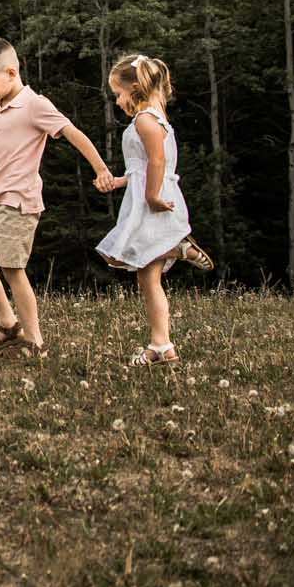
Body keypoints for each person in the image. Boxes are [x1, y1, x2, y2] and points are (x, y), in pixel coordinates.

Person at [0, 37, 118, 360]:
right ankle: (8, 324)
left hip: (19, 202)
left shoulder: (35, 105)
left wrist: (100, 168)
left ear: (11, 73)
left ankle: (35, 341)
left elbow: (72, 133)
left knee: (13, 269)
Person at [95, 53, 215, 365]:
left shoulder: (146, 120)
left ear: (134, 88)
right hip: (145, 196)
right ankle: (162, 346)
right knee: (146, 278)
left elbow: (159, 162)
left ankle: (177, 248)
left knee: (123, 254)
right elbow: (141, 167)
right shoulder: (149, 118)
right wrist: (119, 182)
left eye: (118, 94)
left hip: (154, 202)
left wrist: (150, 197)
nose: (118, 101)